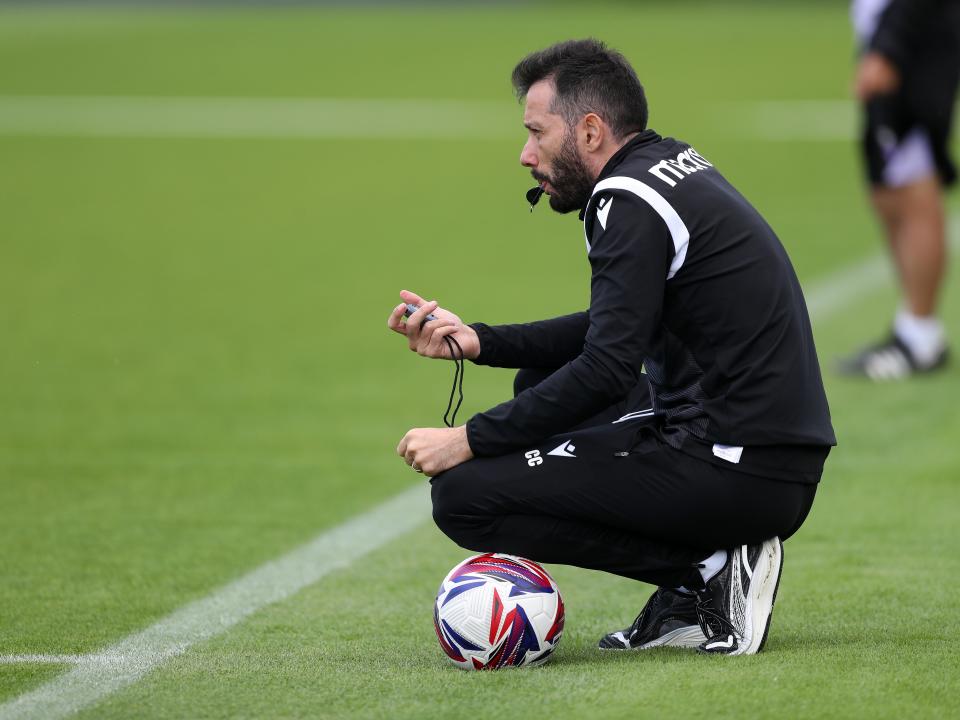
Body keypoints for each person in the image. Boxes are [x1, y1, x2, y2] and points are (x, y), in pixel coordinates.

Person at [388, 39, 835, 656]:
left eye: (536, 132)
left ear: (591, 130)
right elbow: (616, 325)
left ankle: (703, 575)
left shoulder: (623, 202)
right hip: (765, 451)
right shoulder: (667, 164)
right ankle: (702, 574)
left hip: (740, 467)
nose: (526, 155)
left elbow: (606, 367)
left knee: (463, 497)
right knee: (538, 375)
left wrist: (466, 440)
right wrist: (479, 342)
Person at [841, 0, 960, 379]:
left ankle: (921, 335)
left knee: (911, 184)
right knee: (889, 189)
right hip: (898, 43)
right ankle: (914, 328)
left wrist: (888, 49)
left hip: (912, 49)